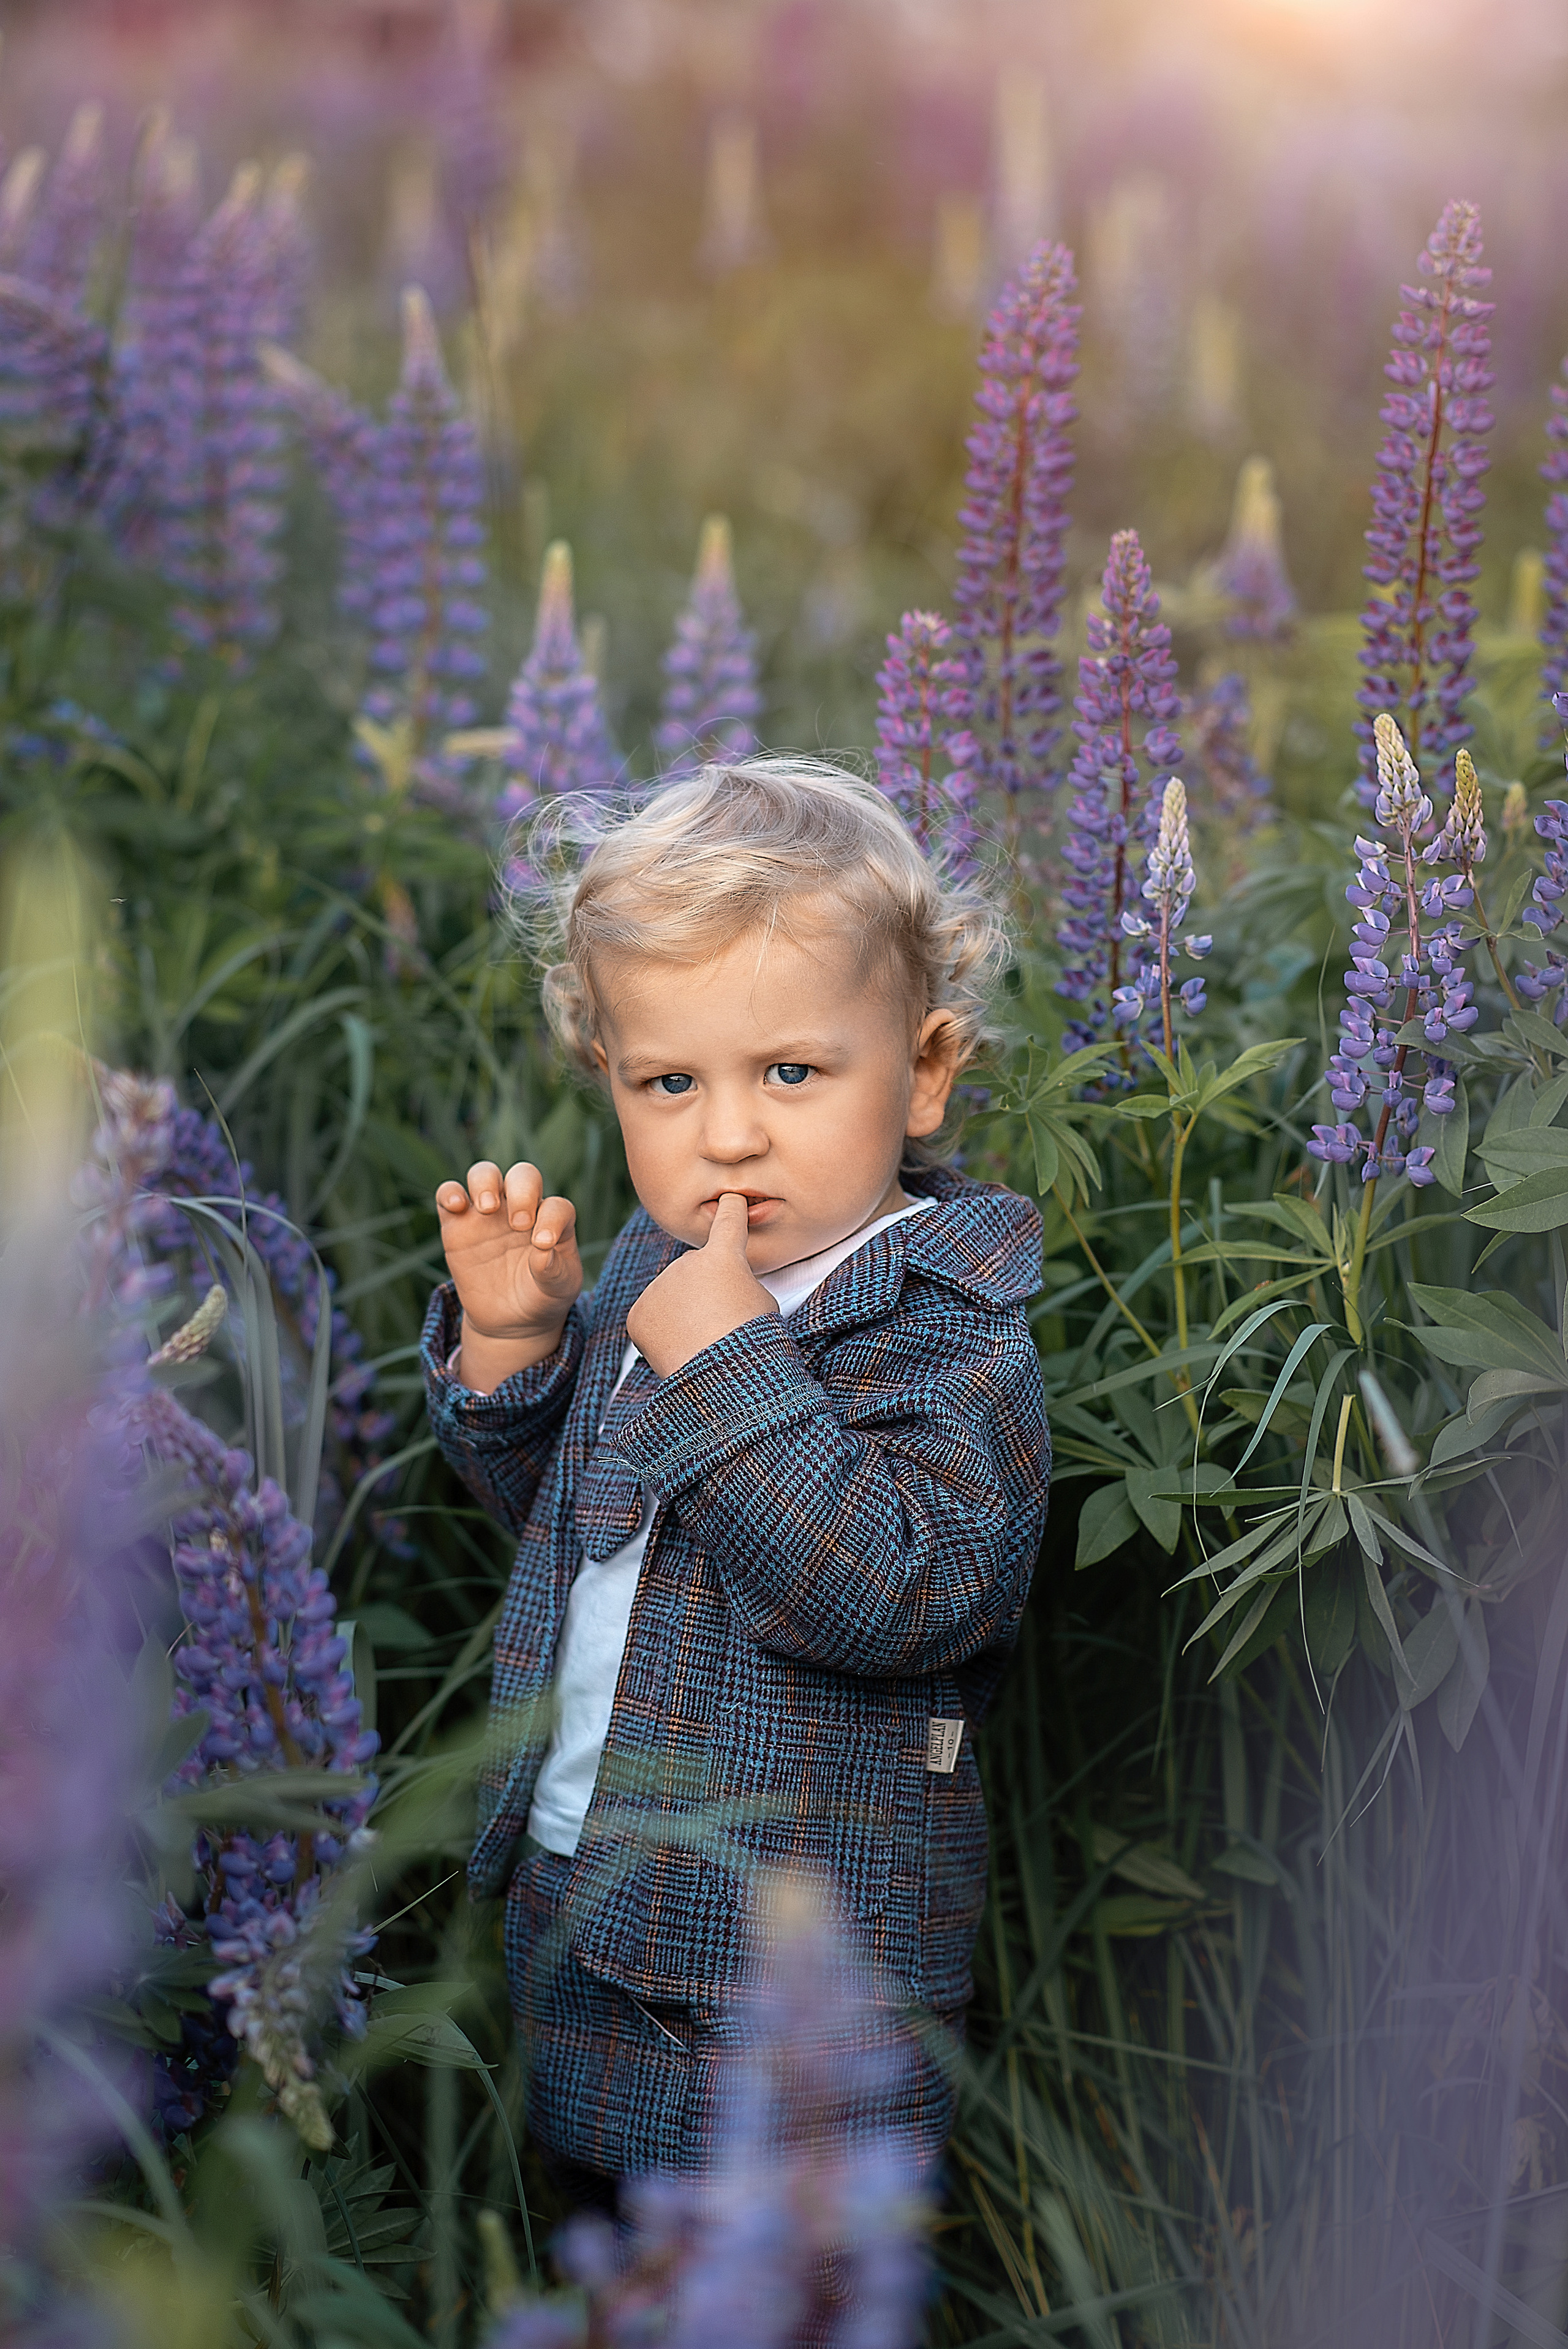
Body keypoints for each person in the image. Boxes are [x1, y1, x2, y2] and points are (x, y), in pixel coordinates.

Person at [421, 758, 1051, 2200]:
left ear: (924, 1069)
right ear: (610, 1077)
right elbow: (576, 1527)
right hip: (588, 1871)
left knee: (783, 2260)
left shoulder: (948, 1328)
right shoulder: (651, 1266)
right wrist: (515, 1348)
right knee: (594, 2227)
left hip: (798, 1947)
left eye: (789, 1072)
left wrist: (722, 1364)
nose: (726, 1134)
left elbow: (901, 1593)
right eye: (670, 1082)